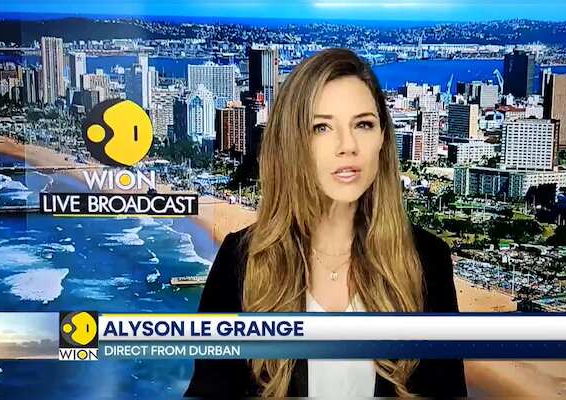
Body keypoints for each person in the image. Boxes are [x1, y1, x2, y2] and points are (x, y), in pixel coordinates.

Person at [185, 48, 466, 398]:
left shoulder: (427, 259)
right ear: (293, 143)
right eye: (322, 127)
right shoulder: (240, 260)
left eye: (363, 124)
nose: (347, 146)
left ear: (382, 137)